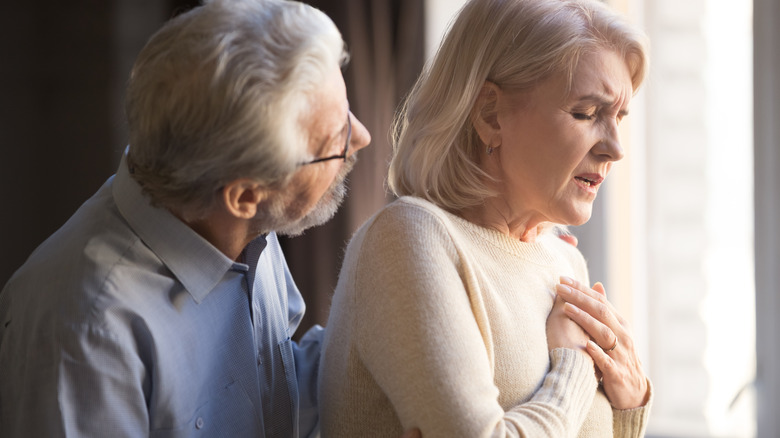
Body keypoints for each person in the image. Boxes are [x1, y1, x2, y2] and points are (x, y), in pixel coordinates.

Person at [0, 0, 373, 436]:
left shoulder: (244, 228)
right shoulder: (86, 335)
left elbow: (273, 392)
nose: (362, 136)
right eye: (337, 137)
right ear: (244, 195)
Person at [319, 0, 653, 436]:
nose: (615, 147)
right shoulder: (409, 239)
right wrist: (572, 370)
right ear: (489, 115)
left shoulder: (563, 263)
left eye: (619, 117)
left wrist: (628, 405)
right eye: (586, 114)